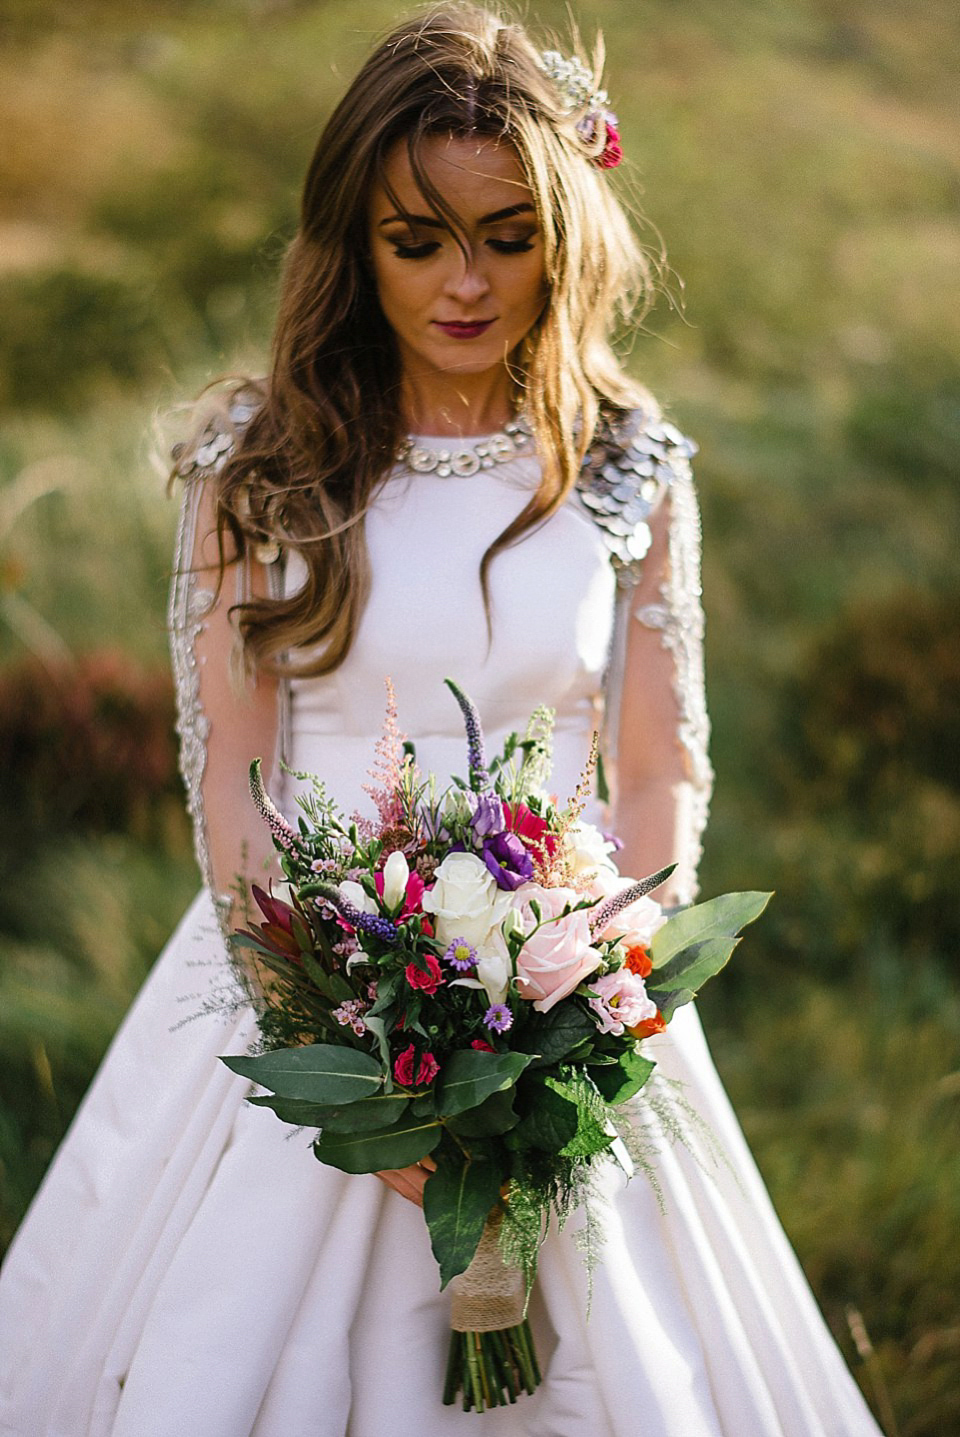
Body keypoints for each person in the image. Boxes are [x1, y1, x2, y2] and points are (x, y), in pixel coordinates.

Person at [0, 5, 883, 1434]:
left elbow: (659, 768)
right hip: (300, 986)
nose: (465, 282)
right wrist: (343, 1045)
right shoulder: (254, 469)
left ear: (567, 234)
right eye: (418, 241)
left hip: (572, 995)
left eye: (507, 234)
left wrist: (600, 1006)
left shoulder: (628, 461)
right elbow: (229, 783)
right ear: (353, 242)